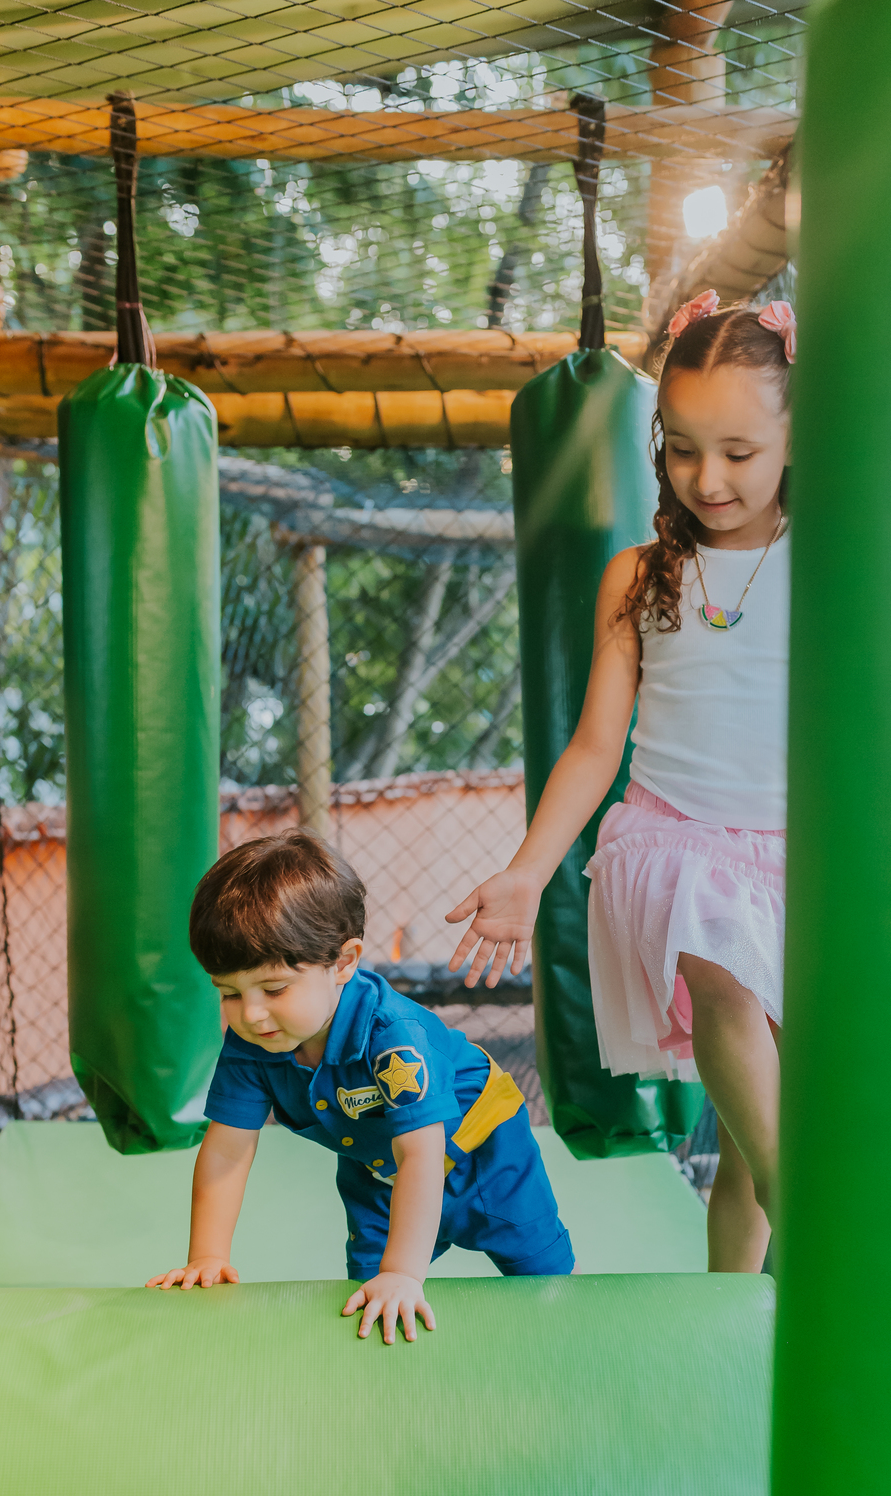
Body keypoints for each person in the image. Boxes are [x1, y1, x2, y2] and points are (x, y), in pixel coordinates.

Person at [447, 292, 795, 1274]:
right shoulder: (640, 576)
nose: (707, 477)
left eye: (737, 451)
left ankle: (735, 1319)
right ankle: (802, 1207)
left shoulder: (830, 562)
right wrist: (526, 871)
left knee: (748, 1136)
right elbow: (597, 746)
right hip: (677, 844)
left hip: (799, 864)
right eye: (682, 449)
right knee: (721, 992)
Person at [148, 830, 574, 1340]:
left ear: (344, 962)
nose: (252, 1013)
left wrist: (404, 1272)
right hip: (379, 1171)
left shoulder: (393, 1040)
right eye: (228, 993)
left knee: (541, 1274)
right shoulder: (255, 1043)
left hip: (484, 1151)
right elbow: (226, 1150)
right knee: (370, 1295)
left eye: (274, 988)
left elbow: (422, 1153)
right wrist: (208, 1257)